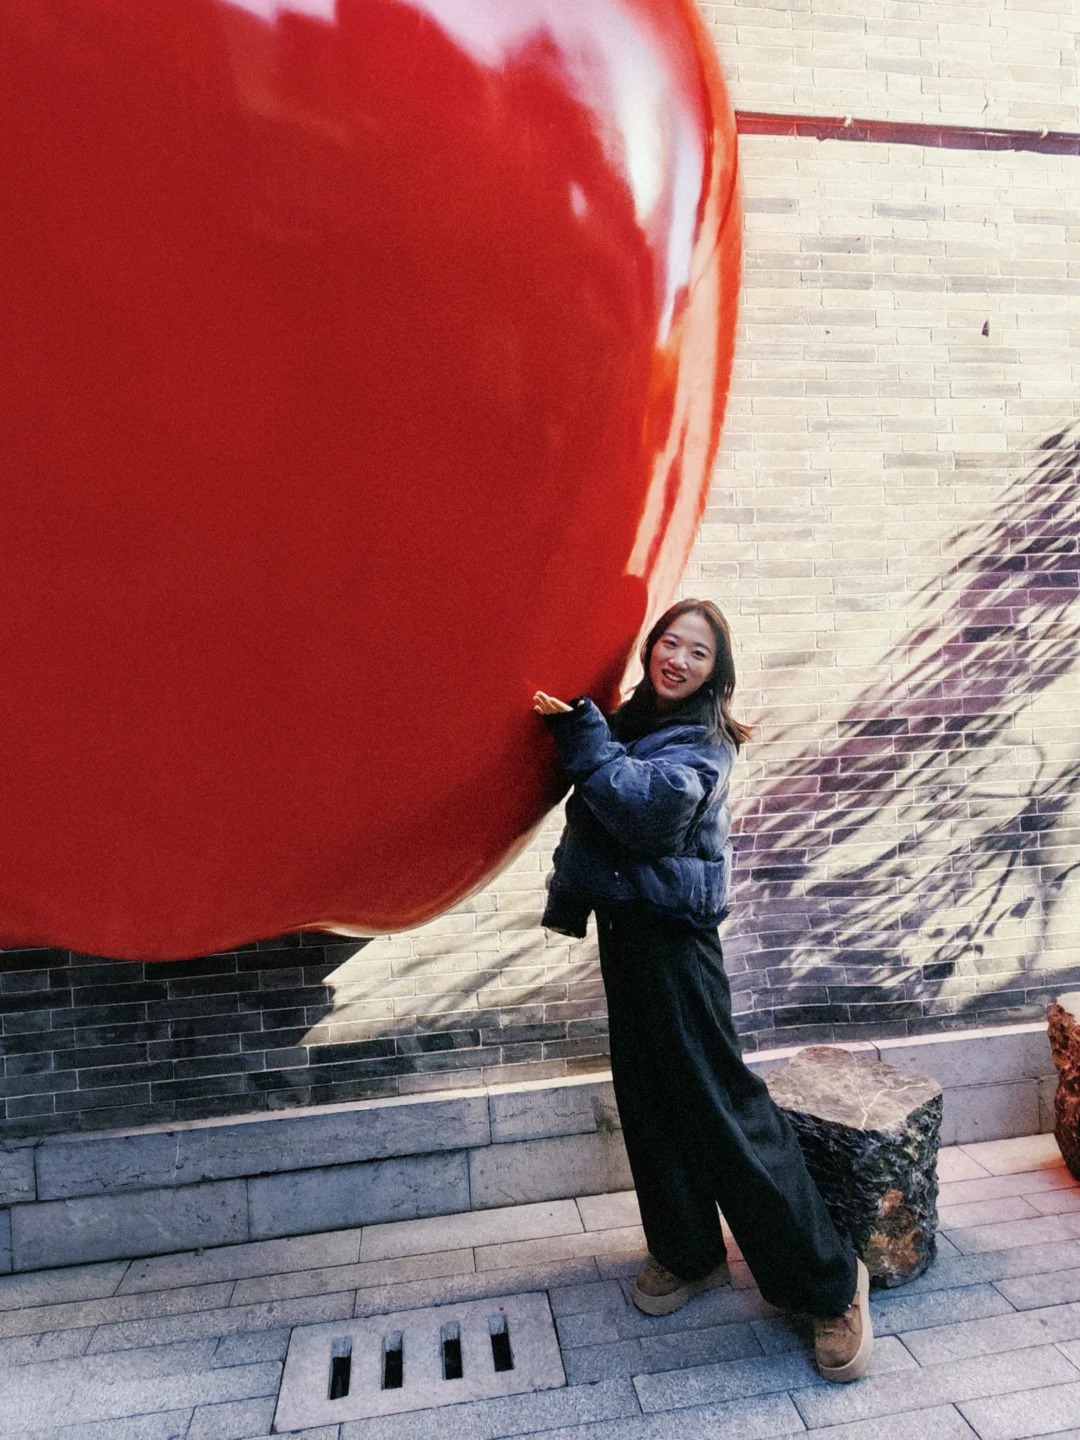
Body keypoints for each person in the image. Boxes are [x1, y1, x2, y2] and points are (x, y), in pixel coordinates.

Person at [533, 599, 873, 1384]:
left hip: (677, 944)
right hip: (627, 935)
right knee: (649, 1099)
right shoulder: (630, 724)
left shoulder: (704, 742)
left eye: (697, 652)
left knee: (724, 1107)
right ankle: (689, 1254)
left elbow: (648, 815)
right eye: (669, 642)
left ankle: (830, 1283)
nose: (677, 659)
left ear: (717, 673)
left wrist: (583, 738)